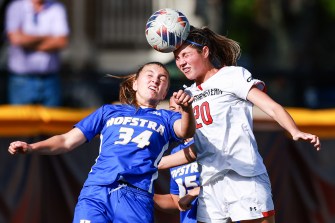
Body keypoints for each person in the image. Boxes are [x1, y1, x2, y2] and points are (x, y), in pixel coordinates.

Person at [8, 61, 196, 223]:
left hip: (135, 195)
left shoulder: (166, 117)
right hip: (96, 191)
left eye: (162, 78)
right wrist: (32, 147)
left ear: (164, 94)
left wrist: (187, 109)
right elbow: (66, 141)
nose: (155, 79)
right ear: (135, 84)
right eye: (150, 75)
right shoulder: (108, 111)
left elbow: (186, 130)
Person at [170, 25, 321, 223]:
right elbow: (194, 145)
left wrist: (294, 131)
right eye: (177, 57)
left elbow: (272, 107)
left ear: (205, 51)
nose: (181, 62)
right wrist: (152, 164)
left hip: (243, 175)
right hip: (210, 183)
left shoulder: (231, 75)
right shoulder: (188, 94)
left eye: (186, 55)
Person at [5, 0, 69, 106]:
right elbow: (15, 39)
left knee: (51, 121)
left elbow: (62, 42)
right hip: (21, 80)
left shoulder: (57, 8)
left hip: (50, 79)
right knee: (21, 121)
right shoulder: (16, 7)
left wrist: (27, 41)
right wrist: (47, 37)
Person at [154, 96, 200, 223]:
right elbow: (176, 202)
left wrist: (196, 191)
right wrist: (143, 196)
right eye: (173, 109)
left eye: (185, 108)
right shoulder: (175, 151)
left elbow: (231, 182)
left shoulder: (212, 143)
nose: (180, 113)